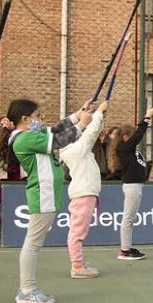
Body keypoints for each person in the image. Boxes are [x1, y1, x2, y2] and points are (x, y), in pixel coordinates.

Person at [0, 99, 90, 303]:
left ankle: (27, 289)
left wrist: (78, 114)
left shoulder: (30, 135)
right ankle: (27, 289)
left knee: (33, 241)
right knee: (33, 243)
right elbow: (58, 141)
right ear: (25, 119)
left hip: (46, 195)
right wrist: (82, 125)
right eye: (37, 116)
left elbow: (54, 130)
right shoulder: (23, 139)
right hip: (42, 196)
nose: (40, 121)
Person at [59, 101, 109, 279]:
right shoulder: (74, 150)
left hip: (85, 193)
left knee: (78, 231)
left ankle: (78, 263)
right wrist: (99, 114)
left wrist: (89, 112)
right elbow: (90, 134)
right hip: (84, 194)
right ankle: (77, 267)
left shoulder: (73, 148)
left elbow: (86, 133)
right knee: (77, 233)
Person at [116, 107, 153, 260]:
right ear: (126, 137)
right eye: (131, 136)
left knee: (131, 218)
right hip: (131, 186)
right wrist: (147, 117)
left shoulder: (132, 150)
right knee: (128, 218)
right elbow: (138, 135)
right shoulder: (123, 148)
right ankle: (124, 250)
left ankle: (127, 246)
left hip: (137, 185)